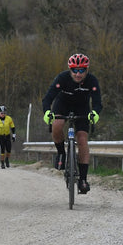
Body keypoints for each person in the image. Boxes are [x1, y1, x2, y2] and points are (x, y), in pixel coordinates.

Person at [42, 53, 102, 194]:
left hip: (82, 108)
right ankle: (61, 153)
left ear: (87, 70)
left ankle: (83, 179)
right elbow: (47, 98)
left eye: (81, 70)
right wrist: (46, 112)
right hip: (62, 104)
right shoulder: (62, 78)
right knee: (57, 125)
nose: (78, 74)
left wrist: (95, 113)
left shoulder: (92, 81)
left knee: (82, 140)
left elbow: (98, 102)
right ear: (70, 70)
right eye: (74, 70)